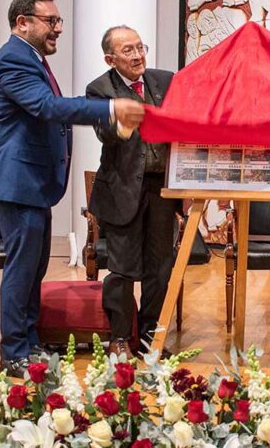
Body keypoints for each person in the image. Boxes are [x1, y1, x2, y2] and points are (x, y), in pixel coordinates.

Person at [0, 0, 144, 377]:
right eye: (50, 21)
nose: (58, 29)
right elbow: (46, 107)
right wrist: (109, 107)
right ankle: (14, 352)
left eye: (58, 21)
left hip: (32, 183)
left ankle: (30, 343)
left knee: (33, 270)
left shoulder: (30, 58)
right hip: (15, 182)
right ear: (23, 22)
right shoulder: (12, 60)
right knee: (21, 271)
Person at [87, 26, 180, 356]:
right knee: (122, 268)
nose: (139, 55)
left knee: (161, 267)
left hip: (160, 190)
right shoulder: (99, 89)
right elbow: (107, 135)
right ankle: (121, 337)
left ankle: (149, 336)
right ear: (111, 59)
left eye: (141, 47)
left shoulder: (166, 81)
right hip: (122, 190)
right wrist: (128, 115)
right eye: (129, 50)